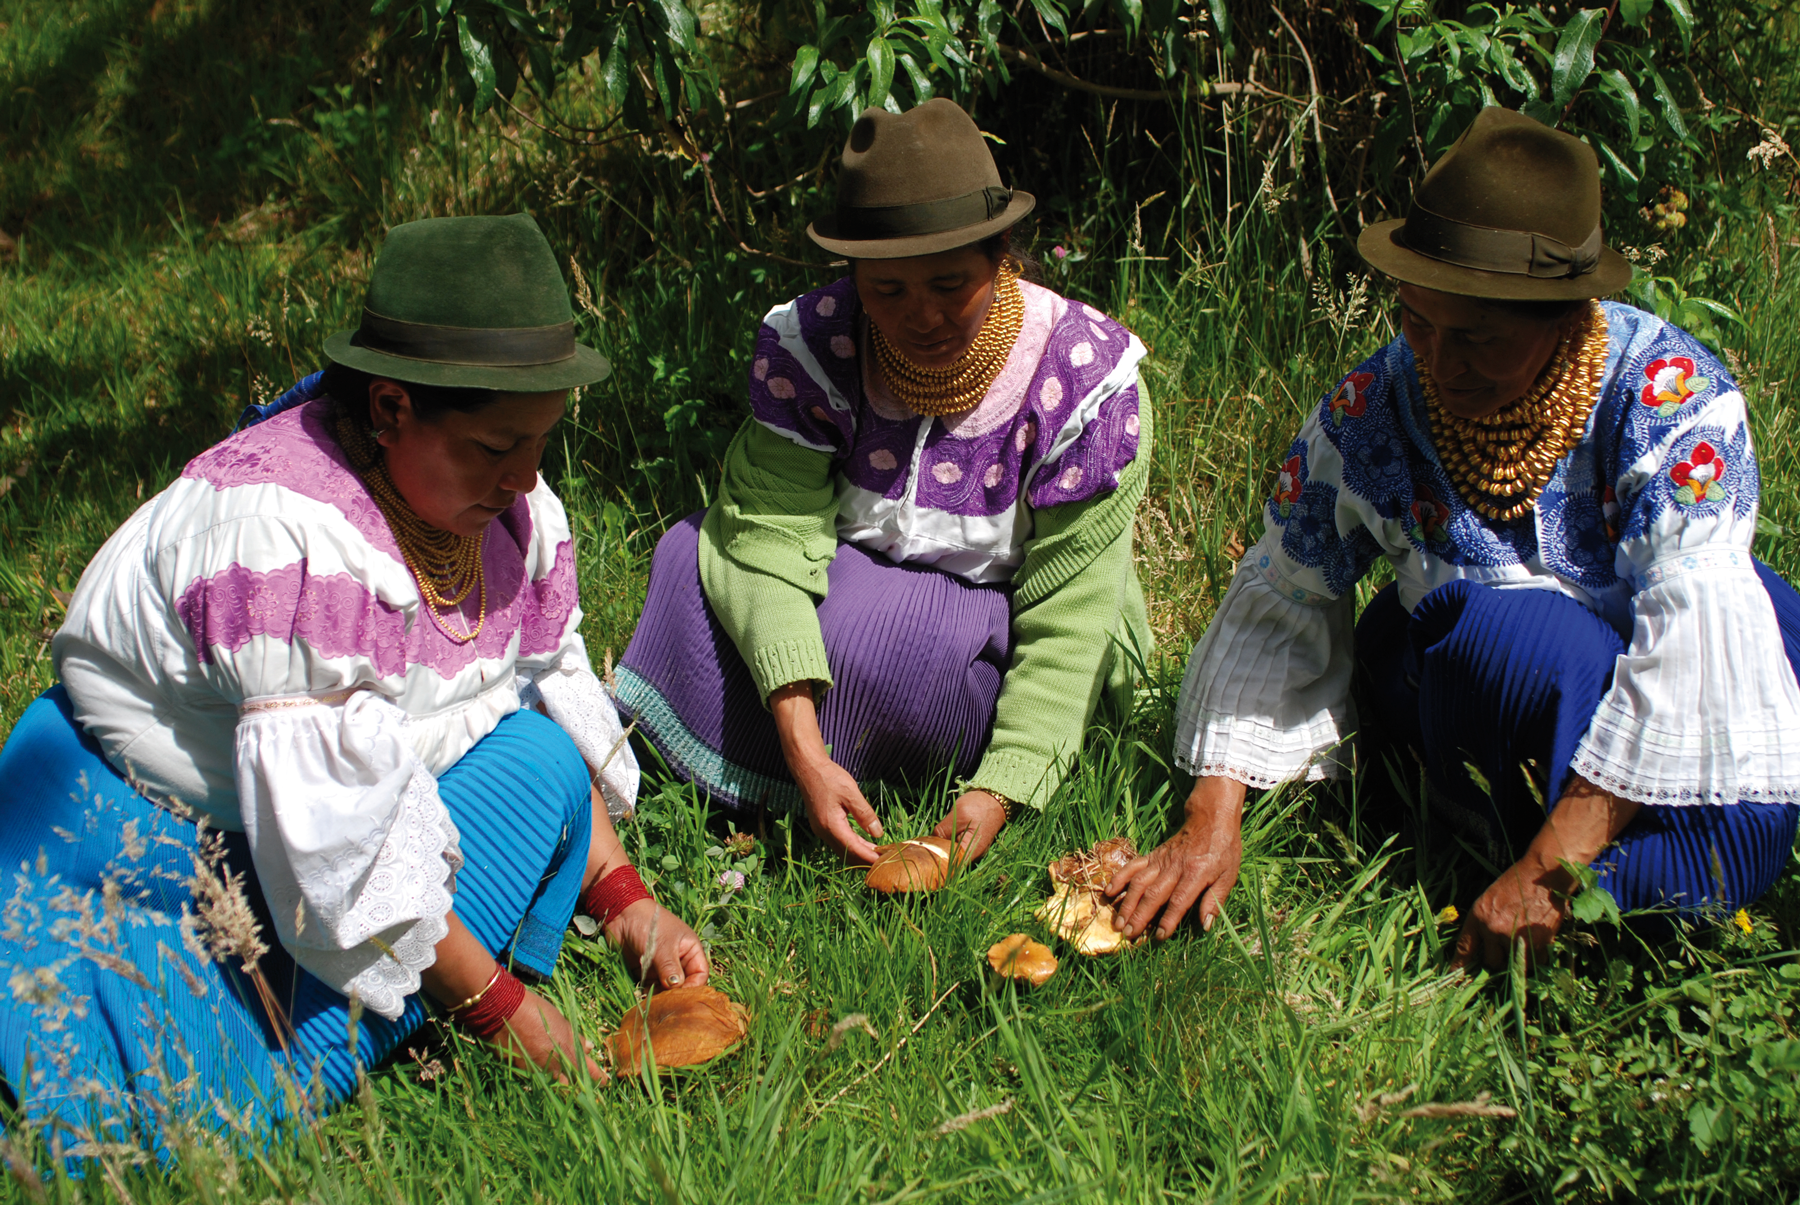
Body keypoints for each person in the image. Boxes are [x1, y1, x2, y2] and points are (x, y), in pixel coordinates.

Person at [0, 214, 709, 1156]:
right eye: (498, 447)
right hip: (149, 843)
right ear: (388, 409)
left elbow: (537, 697)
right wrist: (509, 1014)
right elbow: (346, 854)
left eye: (541, 439)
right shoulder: (284, 540)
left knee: (540, 757)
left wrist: (628, 902)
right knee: (201, 1109)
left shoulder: (509, 508)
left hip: (302, 823)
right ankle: (261, 1049)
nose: (526, 475)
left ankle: (410, 981)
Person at [1107, 108, 1800, 968]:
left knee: (1766, 633)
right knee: (1520, 639)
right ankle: (1594, 885)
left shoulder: (1671, 397)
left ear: (1568, 315)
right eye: (1417, 322)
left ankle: (1576, 883)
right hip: (1475, 674)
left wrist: (1547, 870)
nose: (1437, 363)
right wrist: (1207, 824)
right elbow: (1286, 590)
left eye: (1476, 337)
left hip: (1619, 659)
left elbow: (1700, 626)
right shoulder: (1373, 411)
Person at [615, 100, 1152, 865]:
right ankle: (795, 774)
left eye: (949, 284)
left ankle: (815, 773)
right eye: (888, 291)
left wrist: (1004, 784)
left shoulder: (1084, 385)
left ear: (1003, 255)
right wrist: (802, 738)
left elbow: (1072, 614)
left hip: (990, 617)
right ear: (853, 275)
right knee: (689, 554)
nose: (921, 316)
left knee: (886, 642)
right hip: (841, 571)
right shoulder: (817, 345)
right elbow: (767, 532)